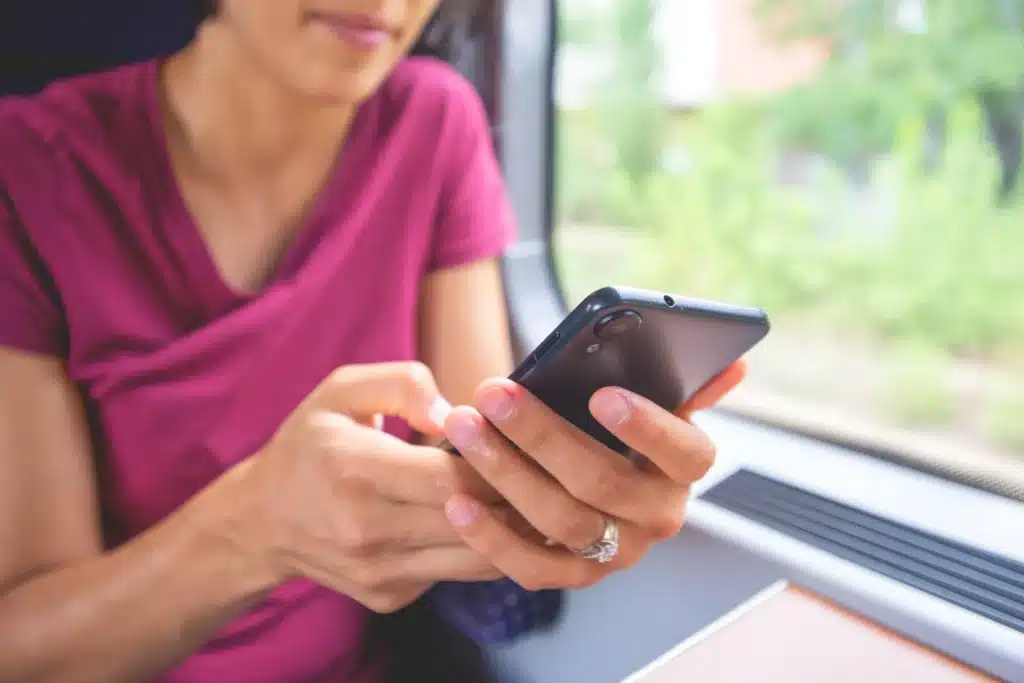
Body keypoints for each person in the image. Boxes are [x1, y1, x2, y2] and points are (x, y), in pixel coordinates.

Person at [0, 1, 747, 682]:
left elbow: (480, 462)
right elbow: (26, 648)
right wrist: (253, 525)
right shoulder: (27, 169)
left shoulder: (434, 122)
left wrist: (573, 512)